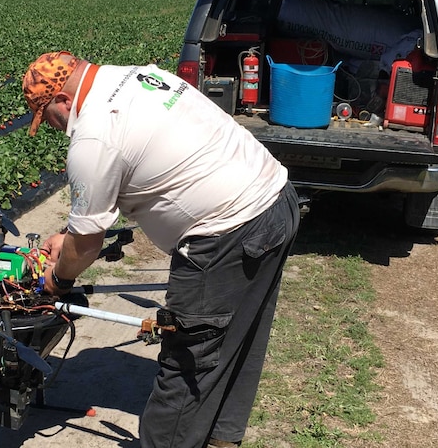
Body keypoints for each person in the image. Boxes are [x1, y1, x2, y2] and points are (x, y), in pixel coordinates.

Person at [23, 51, 300, 448]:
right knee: (242, 337)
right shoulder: (137, 76)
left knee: (187, 360)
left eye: (47, 117)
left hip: (226, 233)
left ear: (62, 101)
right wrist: (68, 235)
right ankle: (222, 439)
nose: (53, 128)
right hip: (274, 199)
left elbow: (86, 245)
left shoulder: (94, 136)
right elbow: (131, 170)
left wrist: (57, 278)